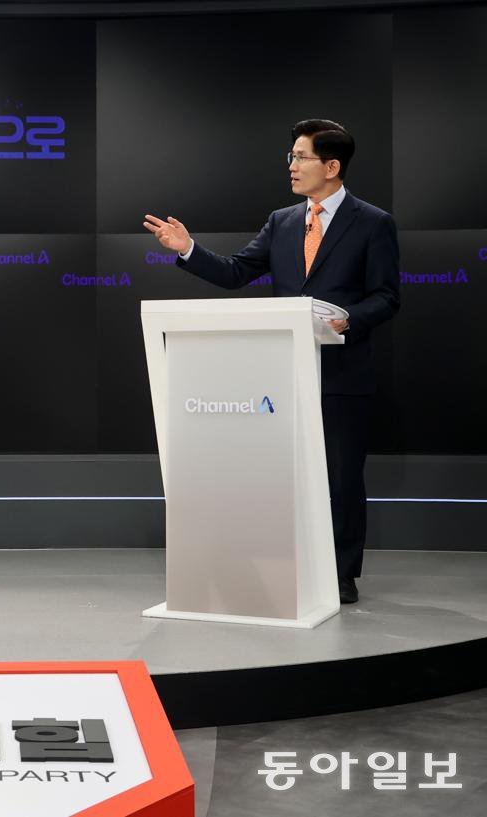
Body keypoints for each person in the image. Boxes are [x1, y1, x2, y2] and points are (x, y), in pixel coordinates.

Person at [142, 118, 400, 605]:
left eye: (301, 157)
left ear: (332, 166)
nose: (292, 166)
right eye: (291, 157)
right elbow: (237, 271)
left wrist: (347, 319)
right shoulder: (282, 221)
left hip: (342, 373)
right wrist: (188, 250)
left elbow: (386, 297)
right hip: (286, 371)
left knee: (342, 478)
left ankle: (342, 574)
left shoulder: (372, 222)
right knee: (287, 476)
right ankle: (292, 562)